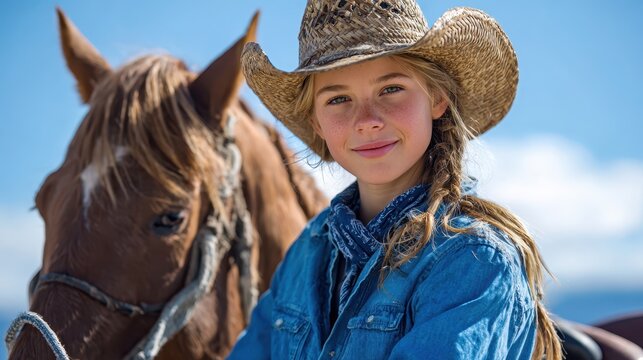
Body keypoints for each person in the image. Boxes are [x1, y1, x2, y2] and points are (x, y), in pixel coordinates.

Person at [228, 0, 562, 358]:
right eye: (338, 98)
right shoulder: (309, 249)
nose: (367, 120)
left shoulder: (474, 259)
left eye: (391, 89)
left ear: (437, 98)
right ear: (317, 124)